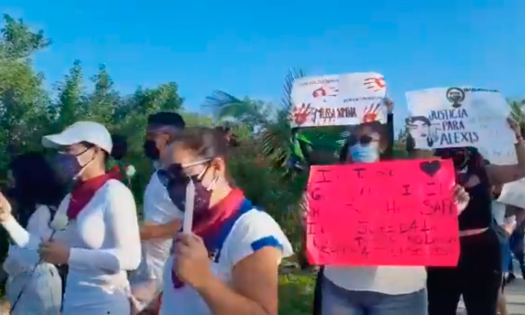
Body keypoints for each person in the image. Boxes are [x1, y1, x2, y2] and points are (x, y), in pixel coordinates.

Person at [0, 121, 142, 315]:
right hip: (73, 301)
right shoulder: (71, 197)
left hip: (105, 303)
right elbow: (43, 248)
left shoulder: (115, 193)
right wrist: (7, 219)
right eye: (60, 153)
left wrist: (70, 256)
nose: (63, 159)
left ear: (95, 151)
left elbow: (130, 258)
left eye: (69, 150)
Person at [157, 127, 293, 315]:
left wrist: (204, 280)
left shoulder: (251, 228)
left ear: (216, 167)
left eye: (181, 174)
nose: (174, 185)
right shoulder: (193, 223)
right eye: (166, 177)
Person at [427, 119, 525, 315]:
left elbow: (521, 169)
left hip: (482, 251)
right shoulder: (430, 170)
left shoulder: (484, 170)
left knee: (483, 309)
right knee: (439, 310)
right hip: (443, 251)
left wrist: (518, 139)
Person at [129, 112, 186, 313]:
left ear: (166, 138)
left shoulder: (183, 176)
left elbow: (192, 221)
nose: (147, 142)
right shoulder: (159, 173)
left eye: (150, 137)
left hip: (166, 270)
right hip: (148, 265)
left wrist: (144, 233)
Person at [3, 152, 66, 314]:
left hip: (40, 286)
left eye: (13, 182)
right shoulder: (28, 211)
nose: (11, 187)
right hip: (23, 283)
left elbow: (33, 253)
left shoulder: (43, 212)